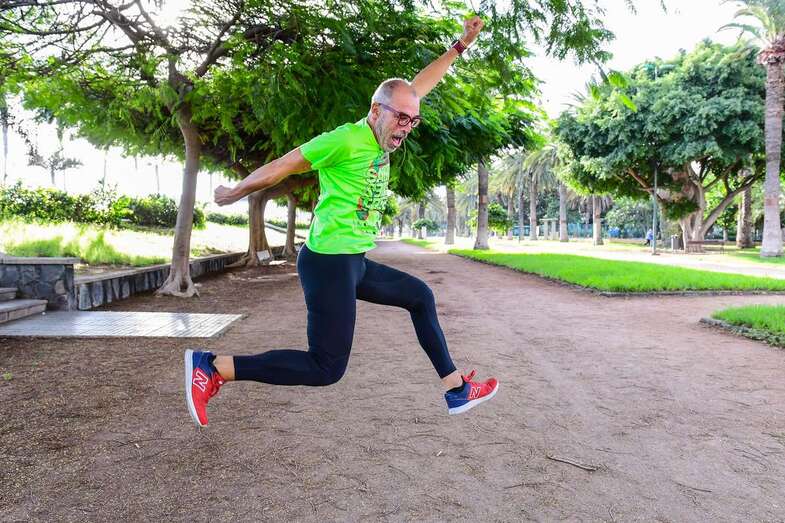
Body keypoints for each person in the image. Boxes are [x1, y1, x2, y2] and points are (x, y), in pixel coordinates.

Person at [185, 16, 499, 427]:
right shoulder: (345, 139)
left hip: (353, 261)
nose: (406, 127)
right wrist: (237, 190)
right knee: (326, 367)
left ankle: (456, 389)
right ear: (376, 110)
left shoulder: (392, 117)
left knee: (420, 296)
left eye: (413, 120)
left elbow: (419, 86)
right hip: (328, 262)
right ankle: (212, 367)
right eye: (401, 118)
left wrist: (460, 46)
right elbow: (286, 164)